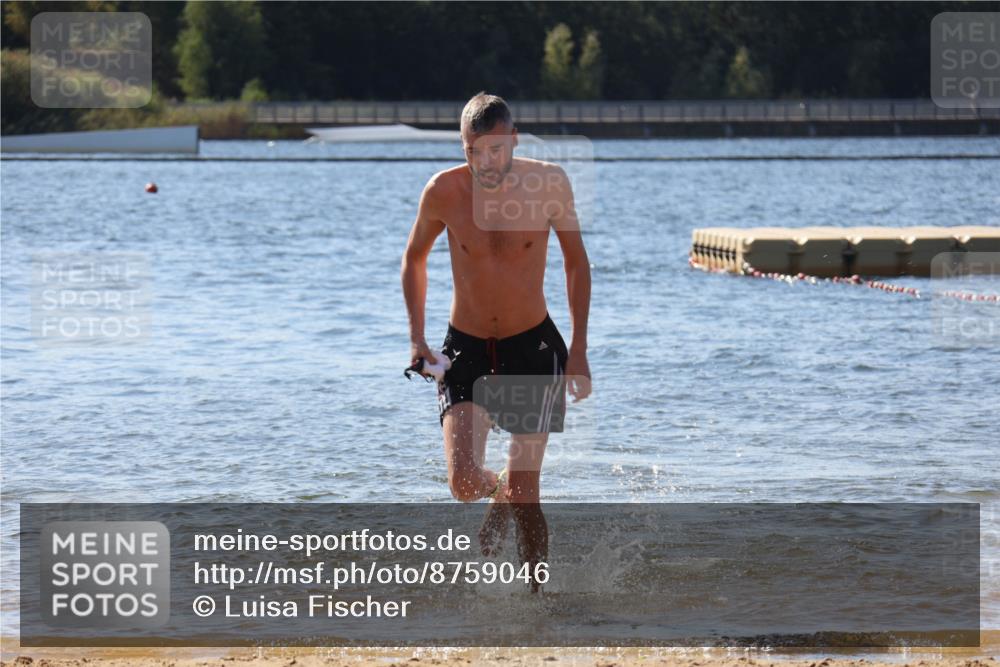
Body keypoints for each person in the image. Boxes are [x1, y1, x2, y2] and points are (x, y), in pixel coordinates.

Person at [401, 92, 591, 590]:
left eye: (495, 150)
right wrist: (417, 338)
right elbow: (414, 259)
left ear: (514, 141)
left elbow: (576, 262)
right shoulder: (443, 191)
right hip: (465, 348)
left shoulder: (549, 184)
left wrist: (579, 349)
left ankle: (538, 603)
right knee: (464, 482)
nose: (484, 162)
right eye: (473, 151)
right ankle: (499, 490)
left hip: (532, 347)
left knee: (527, 493)